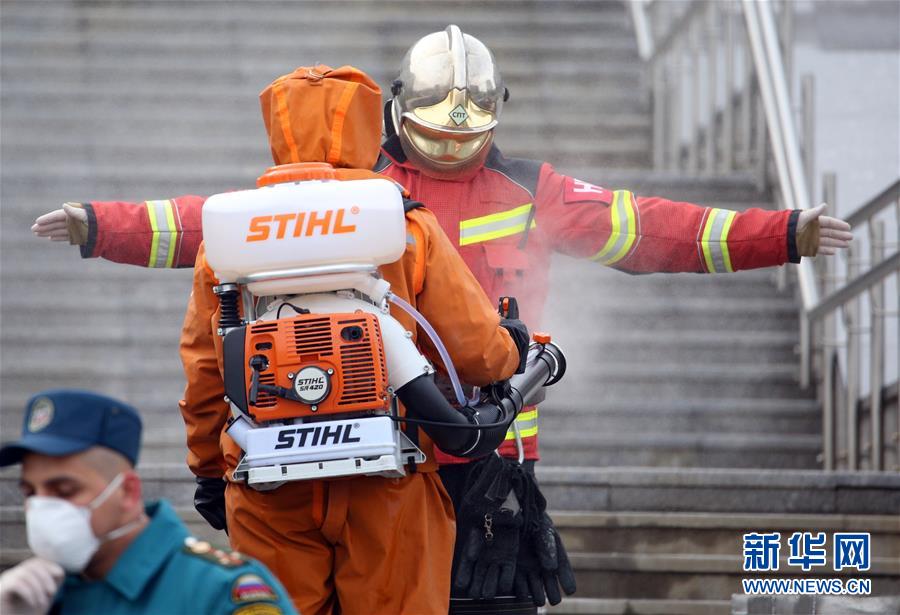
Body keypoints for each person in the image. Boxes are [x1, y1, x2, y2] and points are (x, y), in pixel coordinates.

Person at [31, 25, 853, 611]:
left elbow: (655, 228)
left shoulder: (526, 192)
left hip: (487, 460)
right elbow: (201, 225)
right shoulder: (358, 194)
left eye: (469, 138)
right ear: (393, 114)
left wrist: (781, 234)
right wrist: (102, 223)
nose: (450, 151)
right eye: (432, 135)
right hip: (374, 459)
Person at [183, 65, 525, 615]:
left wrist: (207, 468)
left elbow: (206, 367)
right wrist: (514, 344)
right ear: (370, 129)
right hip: (388, 475)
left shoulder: (230, 234)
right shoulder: (404, 223)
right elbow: (476, 352)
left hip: (267, 477)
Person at [0, 389, 295, 615]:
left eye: (65, 491)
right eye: (30, 493)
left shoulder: (218, 589)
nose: (42, 508)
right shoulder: (36, 594)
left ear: (127, 492)